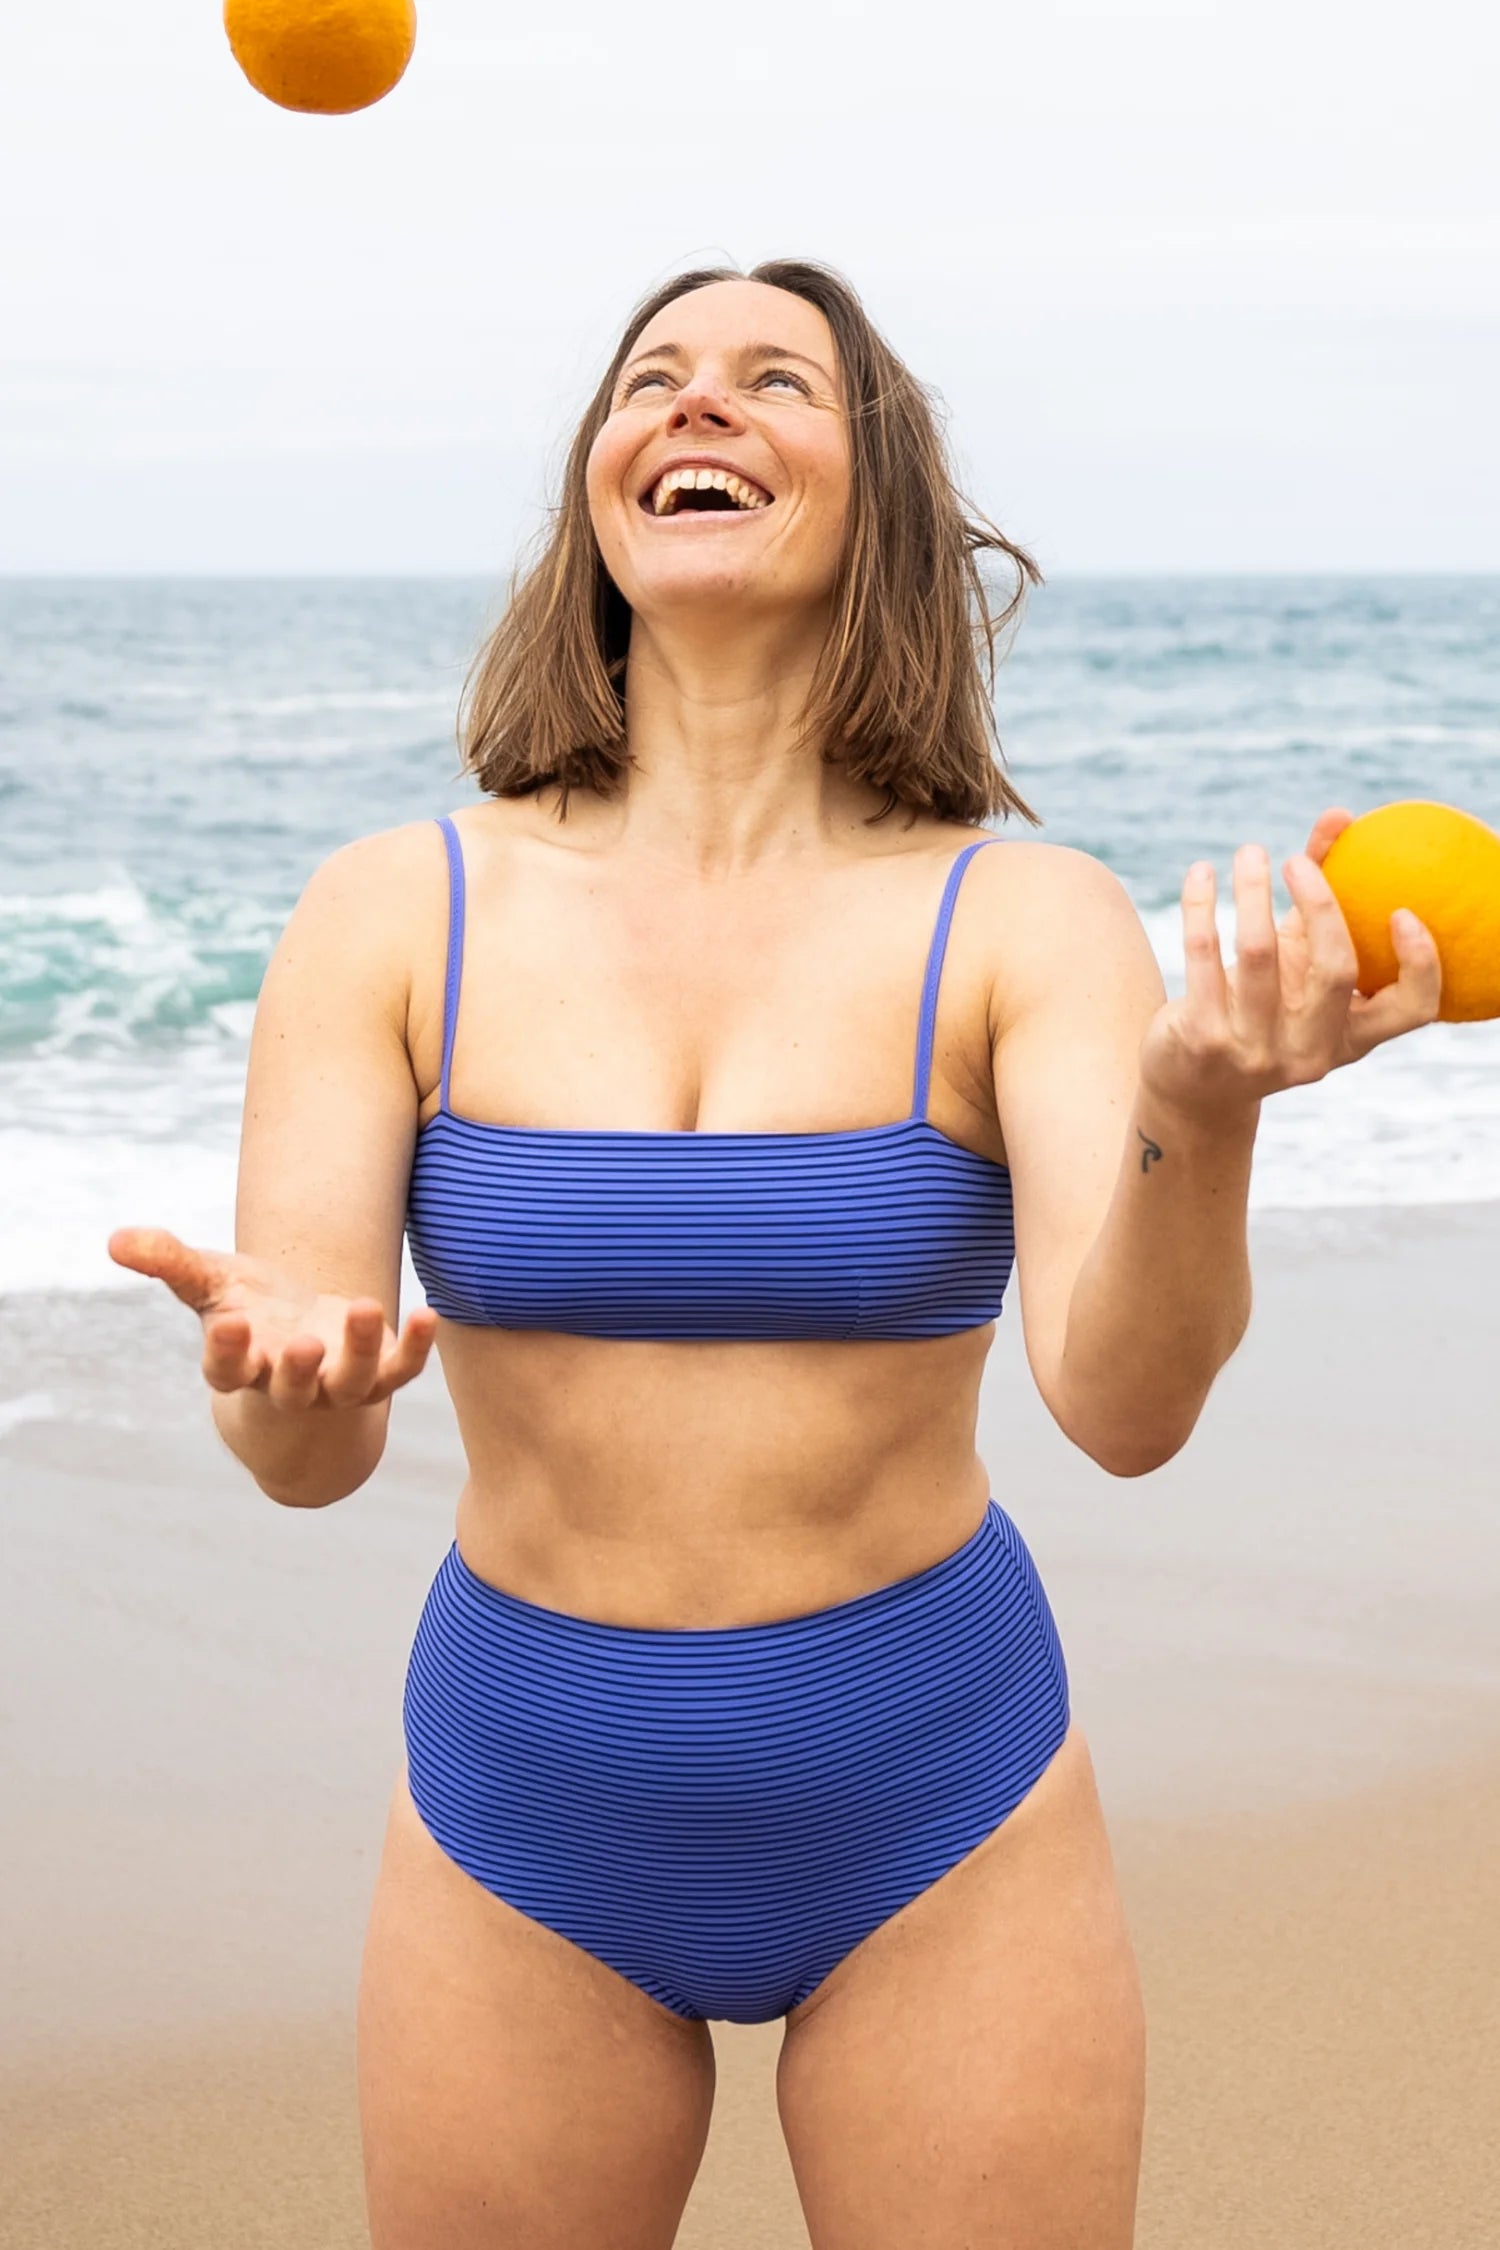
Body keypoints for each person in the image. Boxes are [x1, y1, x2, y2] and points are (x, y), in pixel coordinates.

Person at [108, 258, 1441, 2250]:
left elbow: (1129, 1406)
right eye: (651, 379)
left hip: (939, 1794)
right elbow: (312, 1458)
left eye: (772, 382)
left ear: (879, 497)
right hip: (518, 1799)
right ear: (597, 489)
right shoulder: (391, 910)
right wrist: (275, 1385)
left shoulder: (1023, 919)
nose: (698, 405)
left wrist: (1212, 1096)